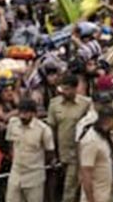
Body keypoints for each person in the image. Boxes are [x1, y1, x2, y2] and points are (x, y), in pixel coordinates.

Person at [47, 73, 90, 202]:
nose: (64, 92)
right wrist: (52, 155)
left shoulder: (86, 104)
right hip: (60, 153)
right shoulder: (54, 104)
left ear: (75, 88)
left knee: (69, 189)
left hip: (77, 154)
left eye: (67, 89)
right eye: (62, 88)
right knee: (55, 188)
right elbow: (51, 130)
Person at [6, 98, 55, 202]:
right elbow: (10, 143)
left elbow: (49, 151)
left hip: (34, 176)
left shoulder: (44, 130)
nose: (22, 116)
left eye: (26, 113)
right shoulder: (13, 123)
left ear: (34, 113)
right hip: (16, 173)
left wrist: (37, 165)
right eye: (20, 113)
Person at [78, 106, 113, 202]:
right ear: (110, 121)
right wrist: (91, 200)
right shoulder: (91, 140)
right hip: (95, 197)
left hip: (104, 194)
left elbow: (107, 147)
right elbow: (86, 173)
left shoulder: (102, 135)